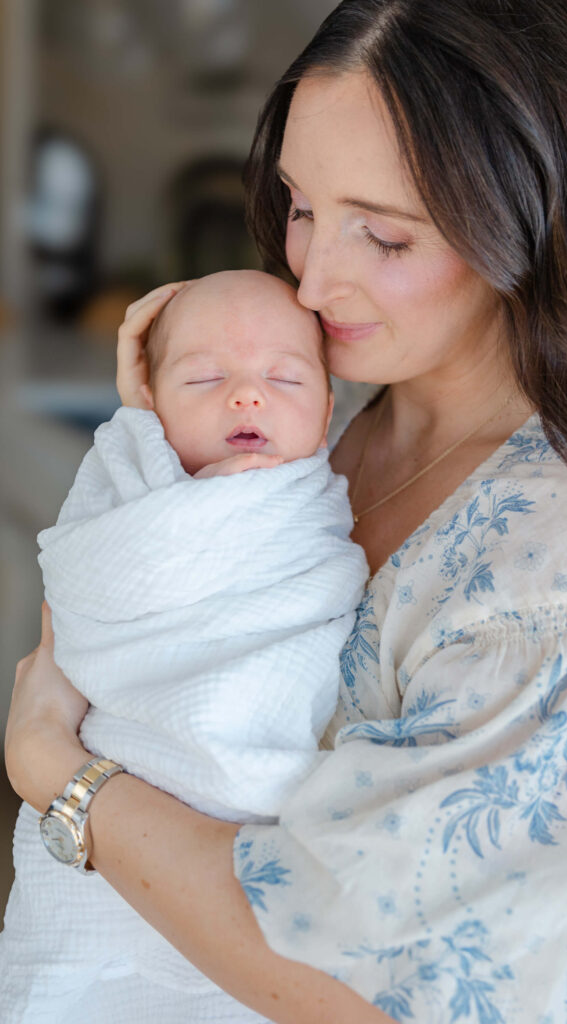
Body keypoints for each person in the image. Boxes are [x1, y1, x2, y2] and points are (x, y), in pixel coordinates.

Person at [6, 0, 567, 1021]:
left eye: (384, 233)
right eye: (302, 204)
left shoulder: (564, 571)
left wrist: (59, 775)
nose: (314, 279)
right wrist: (169, 414)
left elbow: (365, 986)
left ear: (528, 216)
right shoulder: (331, 409)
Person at [0, 270, 367, 1023]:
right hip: (130, 765)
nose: (245, 395)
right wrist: (150, 441)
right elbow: (86, 579)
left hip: (243, 834)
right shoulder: (130, 487)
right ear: (152, 408)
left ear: (328, 412)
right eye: (203, 378)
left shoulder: (317, 506)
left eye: (283, 377)